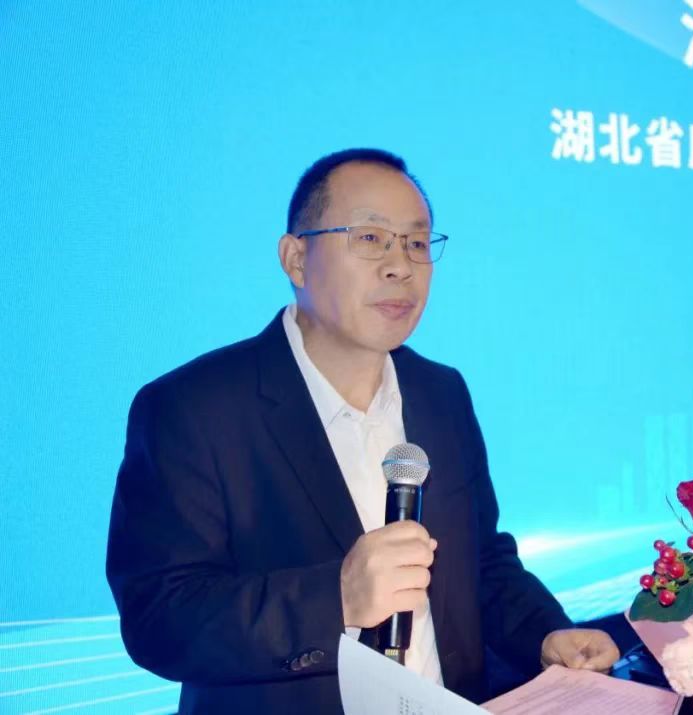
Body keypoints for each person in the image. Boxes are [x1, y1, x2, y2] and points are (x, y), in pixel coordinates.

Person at [105, 148, 619, 713]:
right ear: (296, 259)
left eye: (416, 243)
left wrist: (546, 633)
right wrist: (338, 598)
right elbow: (160, 617)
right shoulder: (193, 408)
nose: (401, 266)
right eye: (371, 238)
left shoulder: (441, 393)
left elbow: (483, 564)